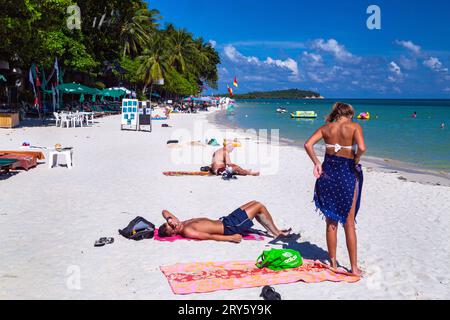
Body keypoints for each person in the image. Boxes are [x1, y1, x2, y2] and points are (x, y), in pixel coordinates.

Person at [304, 102, 366, 276]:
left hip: (328, 174)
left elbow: (308, 144)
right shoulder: (354, 126)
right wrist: (356, 158)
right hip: (347, 173)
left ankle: (332, 263)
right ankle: (354, 268)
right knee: (349, 222)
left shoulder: (326, 128)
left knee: (331, 221)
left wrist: (317, 163)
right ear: (349, 114)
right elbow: (361, 147)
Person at [157, 201, 291, 242]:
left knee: (254, 203)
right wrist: (231, 238)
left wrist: (169, 219)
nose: (175, 223)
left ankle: (274, 230)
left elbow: (165, 211)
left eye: (171, 222)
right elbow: (208, 236)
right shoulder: (187, 230)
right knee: (259, 207)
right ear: (173, 233)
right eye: (172, 226)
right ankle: (276, 233)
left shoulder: (179, 223)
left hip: (226, 220)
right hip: (230, 227)